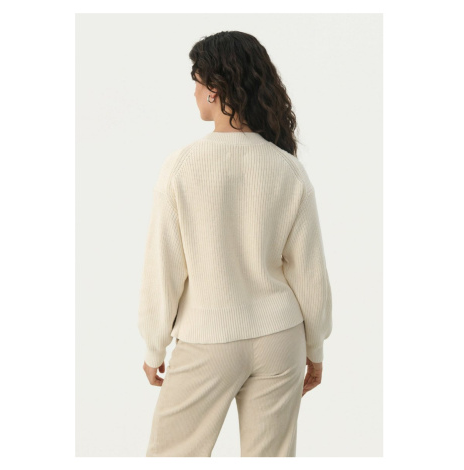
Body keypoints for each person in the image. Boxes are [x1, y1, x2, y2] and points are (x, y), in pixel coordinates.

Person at [137, 30, 333, 457]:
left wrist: (154, 345)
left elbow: (163, 267)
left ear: (215, 88)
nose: (193, 92)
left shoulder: (181, 167)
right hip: (280, 338)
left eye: (196, 81)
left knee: (171, 456)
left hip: (208, 337)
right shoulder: (287, 168)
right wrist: (314, 346)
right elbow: (310, 272)